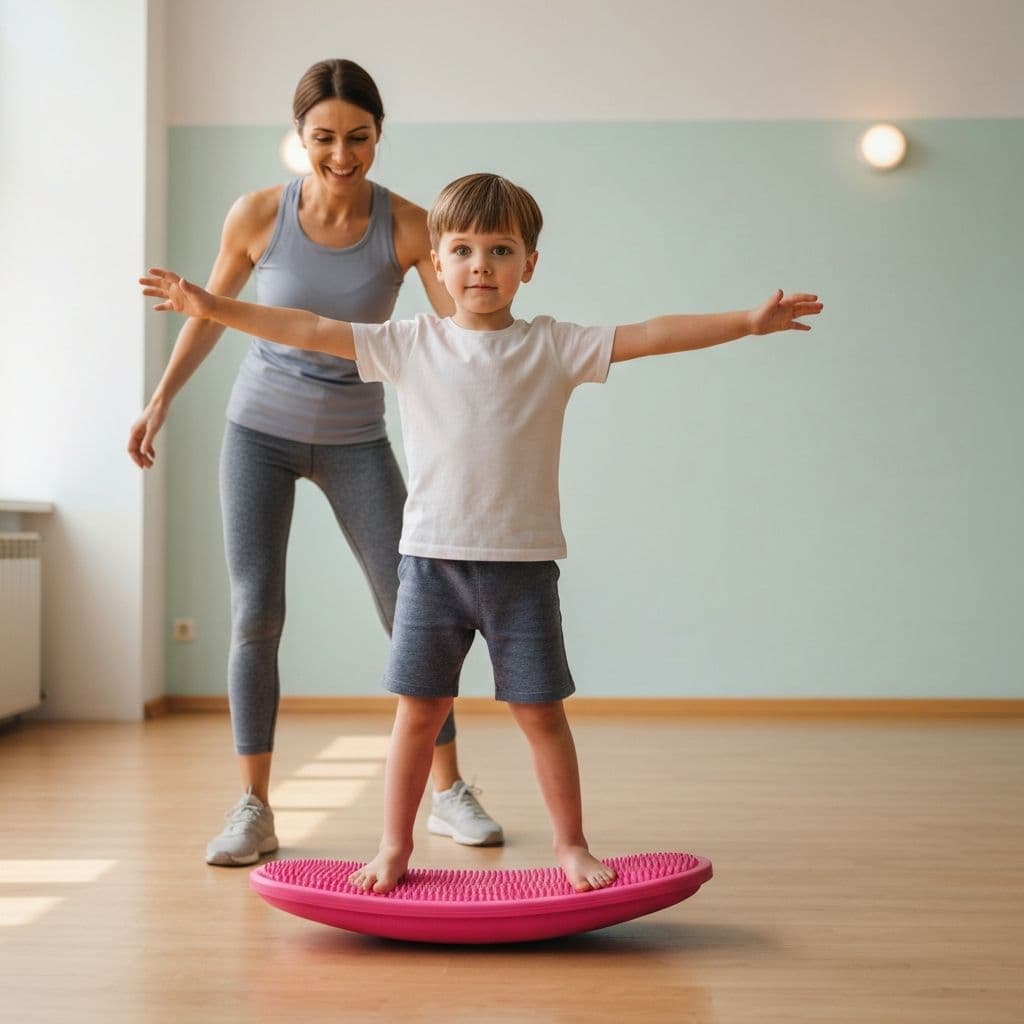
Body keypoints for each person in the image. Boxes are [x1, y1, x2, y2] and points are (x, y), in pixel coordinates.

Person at [139, 172, 823, 892]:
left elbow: (649, 335)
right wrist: (212, 305)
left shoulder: (553, 346)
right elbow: (308, 328)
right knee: (416, 717)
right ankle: (394, 849)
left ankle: (571, 846)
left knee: (541, 715)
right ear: (436, 263)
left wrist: (746, 322)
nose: (481, 266)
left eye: (501, 251)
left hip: (521, 573)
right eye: (462, 250)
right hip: (430, 572)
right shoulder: (409, 344)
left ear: (529, 264)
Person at [128, 61, 503, 867]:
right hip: (256, 431)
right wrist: (161, 399)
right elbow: (209, 315)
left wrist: (507, 356)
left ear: (378, 136)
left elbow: (456, 333)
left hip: (356, 438)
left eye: (358, 138)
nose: (342, 154)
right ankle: (254, 806)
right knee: (256, 612)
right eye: (324, 137)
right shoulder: (260, 214)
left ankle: (448, 792)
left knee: (413, 607)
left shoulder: (405, 225)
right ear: (299, 138)